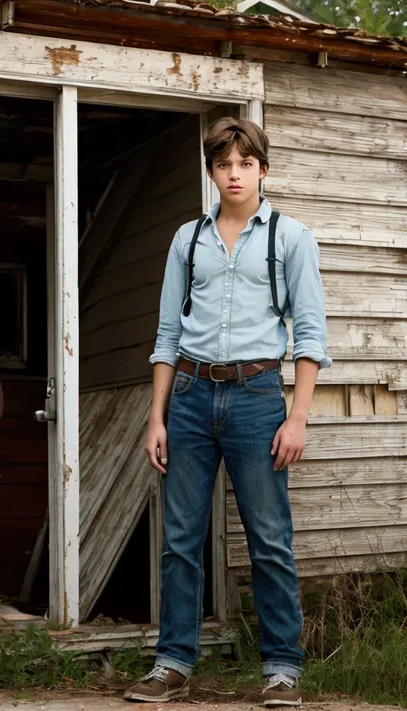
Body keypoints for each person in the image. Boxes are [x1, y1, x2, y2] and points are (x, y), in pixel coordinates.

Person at [124, 117, 331, 706]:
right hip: (188, 397)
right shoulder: (187, 240)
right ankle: (172, 664)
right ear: (212, 171)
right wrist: (156, 417)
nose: (234, 174)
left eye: (245, 163)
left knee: (269, 538)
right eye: (223, 164)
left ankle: (282, 670)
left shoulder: (290, 238)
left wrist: (298, 416)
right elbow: (167, 334)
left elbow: (310, 333)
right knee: (180, 538)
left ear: (262, 169)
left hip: (258, 397)